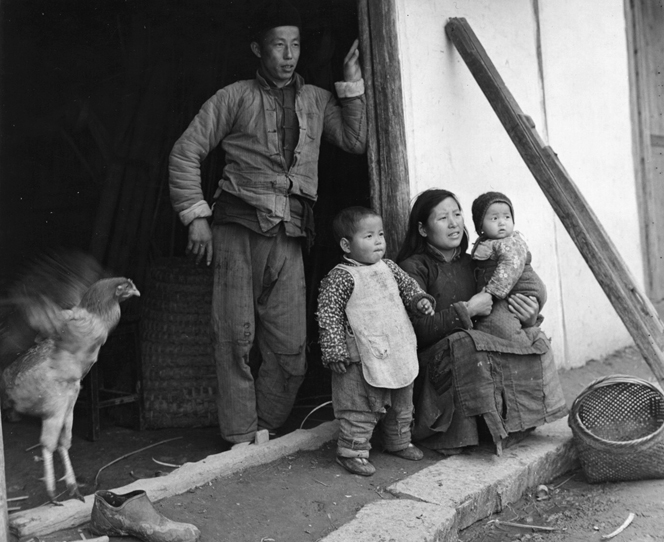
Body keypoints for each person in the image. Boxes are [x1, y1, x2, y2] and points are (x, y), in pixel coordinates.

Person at [168, 0, 367, 447]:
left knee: (291, 348)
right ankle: (241, 439)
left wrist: (351, 86)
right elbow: (186, 151)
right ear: (258, 49)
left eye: (295, 45)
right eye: (279, 45)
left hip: (290, 235)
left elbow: (355, 140)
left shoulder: (317, 100)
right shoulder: (233, 97)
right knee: (234, 339)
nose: (289, 54)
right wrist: (196, 215)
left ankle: (265, 425)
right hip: (236, 230)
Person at [397, 189, 568, 456]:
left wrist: (528, 315)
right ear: (422, 228)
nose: (454, 223)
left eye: (457, 214)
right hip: (433, 367)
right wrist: (467, 310)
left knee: (532, 335)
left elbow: (503, 306)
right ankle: (454, 434)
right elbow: (418, 330)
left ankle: (518, 421)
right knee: (466, 341)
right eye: (443, 218)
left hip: (475, 358)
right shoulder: (413, 268)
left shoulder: (475, 262)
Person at [317, 207, 435, 476]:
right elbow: (328, 314)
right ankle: (352, 451)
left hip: (397, 347)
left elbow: (409, 289)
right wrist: (334, 350)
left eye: (380, 234)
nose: (379, 241)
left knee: (402, 401)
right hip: (360, 356)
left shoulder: (390, 267)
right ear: (347, 244)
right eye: (368, 236)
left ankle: (398, 441)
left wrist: (421, 301)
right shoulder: (340, 277)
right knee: (361, 405)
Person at [469, 191, 547, 344]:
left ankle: (529, 341)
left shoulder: (509, 243)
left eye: (507, 217)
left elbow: (511, 265)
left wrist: (491, 293)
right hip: (509, 292)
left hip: (521, 288)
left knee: (497, 324)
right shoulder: (486, 242)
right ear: (480, 226)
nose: (502, 222)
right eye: (494, 218)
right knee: (495, 323)